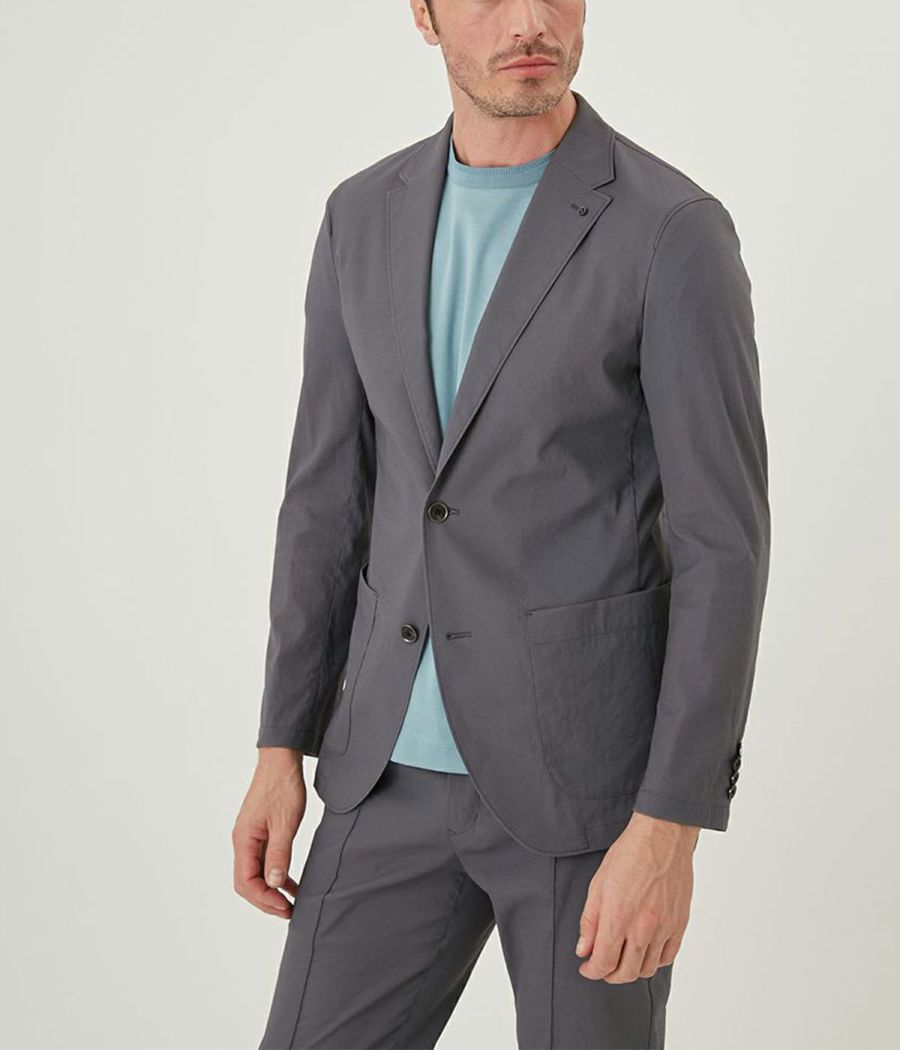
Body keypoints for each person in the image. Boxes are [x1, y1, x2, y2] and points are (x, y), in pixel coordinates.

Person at [233, 1, 771, 1046]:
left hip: (591, 797)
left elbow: (725, 548)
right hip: (383, 774)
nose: (530, 21)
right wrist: (279, 743)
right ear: (424, 14)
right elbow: (324, 502)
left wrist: (670, 826)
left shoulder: (671, 230)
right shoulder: (360, 217)